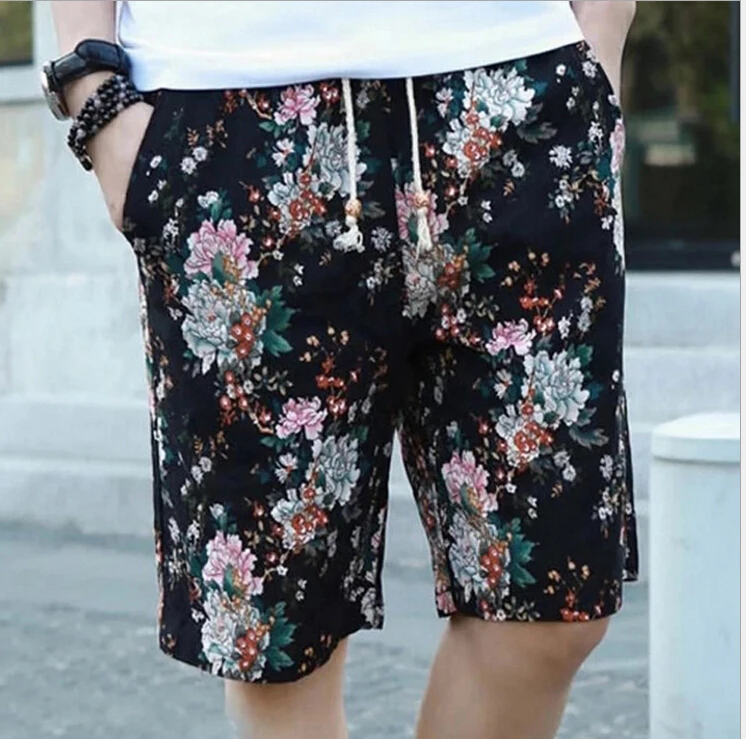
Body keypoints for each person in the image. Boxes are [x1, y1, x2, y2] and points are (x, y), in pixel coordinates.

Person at [45, 2, 639, 737]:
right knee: (280, 644)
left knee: (551, 601)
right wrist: (94, 90)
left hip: (518, 92)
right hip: (235, 115)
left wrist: (603, 34)